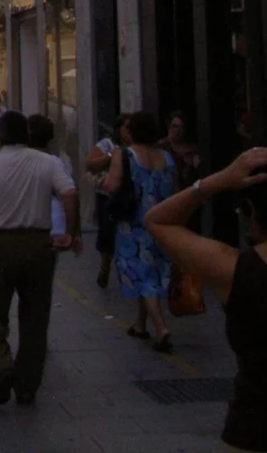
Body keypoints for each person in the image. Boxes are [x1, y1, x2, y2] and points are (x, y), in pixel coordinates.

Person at [144, 145, 267, 452]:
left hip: (255, 432)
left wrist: (216, 181)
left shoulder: (235, 270)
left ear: (251, 210)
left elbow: (159, 221)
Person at [0, 111, 81, 406]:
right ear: (27, 136)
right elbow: (69, 194)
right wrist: (70, 232)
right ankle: (27, 385)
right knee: (35, 316)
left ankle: (1, 367)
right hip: (38, 244)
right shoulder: (47, 163)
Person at [102, 112, 177, 353]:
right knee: (151, 271)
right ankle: (140, 323)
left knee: (141, 276)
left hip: (134, 225)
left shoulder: (124, 155)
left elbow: (112, 186)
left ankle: (161, 327)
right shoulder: (166, 157)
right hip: (162, 223)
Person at [86, 114, 131, 289]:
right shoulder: (107, 145)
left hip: (129, 196)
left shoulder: (138, 147)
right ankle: (105, 269)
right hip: (108, 196)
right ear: (119, 128)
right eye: (126, 127)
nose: (129, 131)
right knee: (107, 234)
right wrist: (112, 156)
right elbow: (90, 164)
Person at [27, 115, 74, 248]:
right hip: (52, 221)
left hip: (25, 226)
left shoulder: (15, 162)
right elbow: (69, 193)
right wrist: (73, 232)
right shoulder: (56, 161)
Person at [161, 111, 202, 191]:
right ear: (168, 126)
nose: (178, 131)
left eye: (181, 127)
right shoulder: (161, 147)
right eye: (175, 126)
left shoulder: (191, 149)